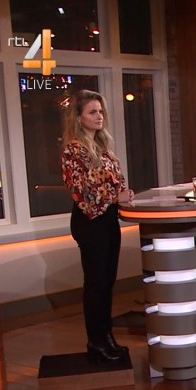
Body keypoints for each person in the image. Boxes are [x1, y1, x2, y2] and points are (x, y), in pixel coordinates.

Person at [61, 89, 132, 363]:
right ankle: (96, 341)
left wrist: (124, 194)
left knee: (107, 282)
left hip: (108, 220)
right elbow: (81, 192)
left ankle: (107, 337)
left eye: (100, 111)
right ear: (79, 117)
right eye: (92, 112)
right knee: (96, 284)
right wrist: (115, 197)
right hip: (90, 222)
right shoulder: (73, 150)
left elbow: (115, 181)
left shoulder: (103, 147)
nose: (99, 116)